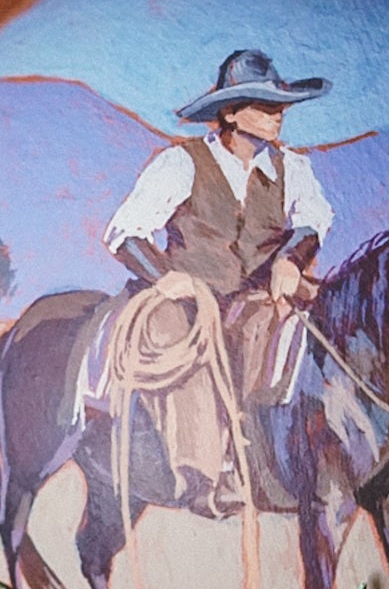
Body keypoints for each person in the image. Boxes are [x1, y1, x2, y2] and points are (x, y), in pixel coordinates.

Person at [101, 49, 333, 515]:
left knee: (287, 336)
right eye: (265, 106)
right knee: (180, 340)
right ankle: (201, 472)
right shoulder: (181, 164)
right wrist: (168, 278)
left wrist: (291, 260)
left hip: (255, 297)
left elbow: (313, 222)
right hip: (189, 297)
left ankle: (274, 462)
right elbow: (124, 232)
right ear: (229, 113)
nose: (278, 116)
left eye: (280, 106)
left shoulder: (292, 168)